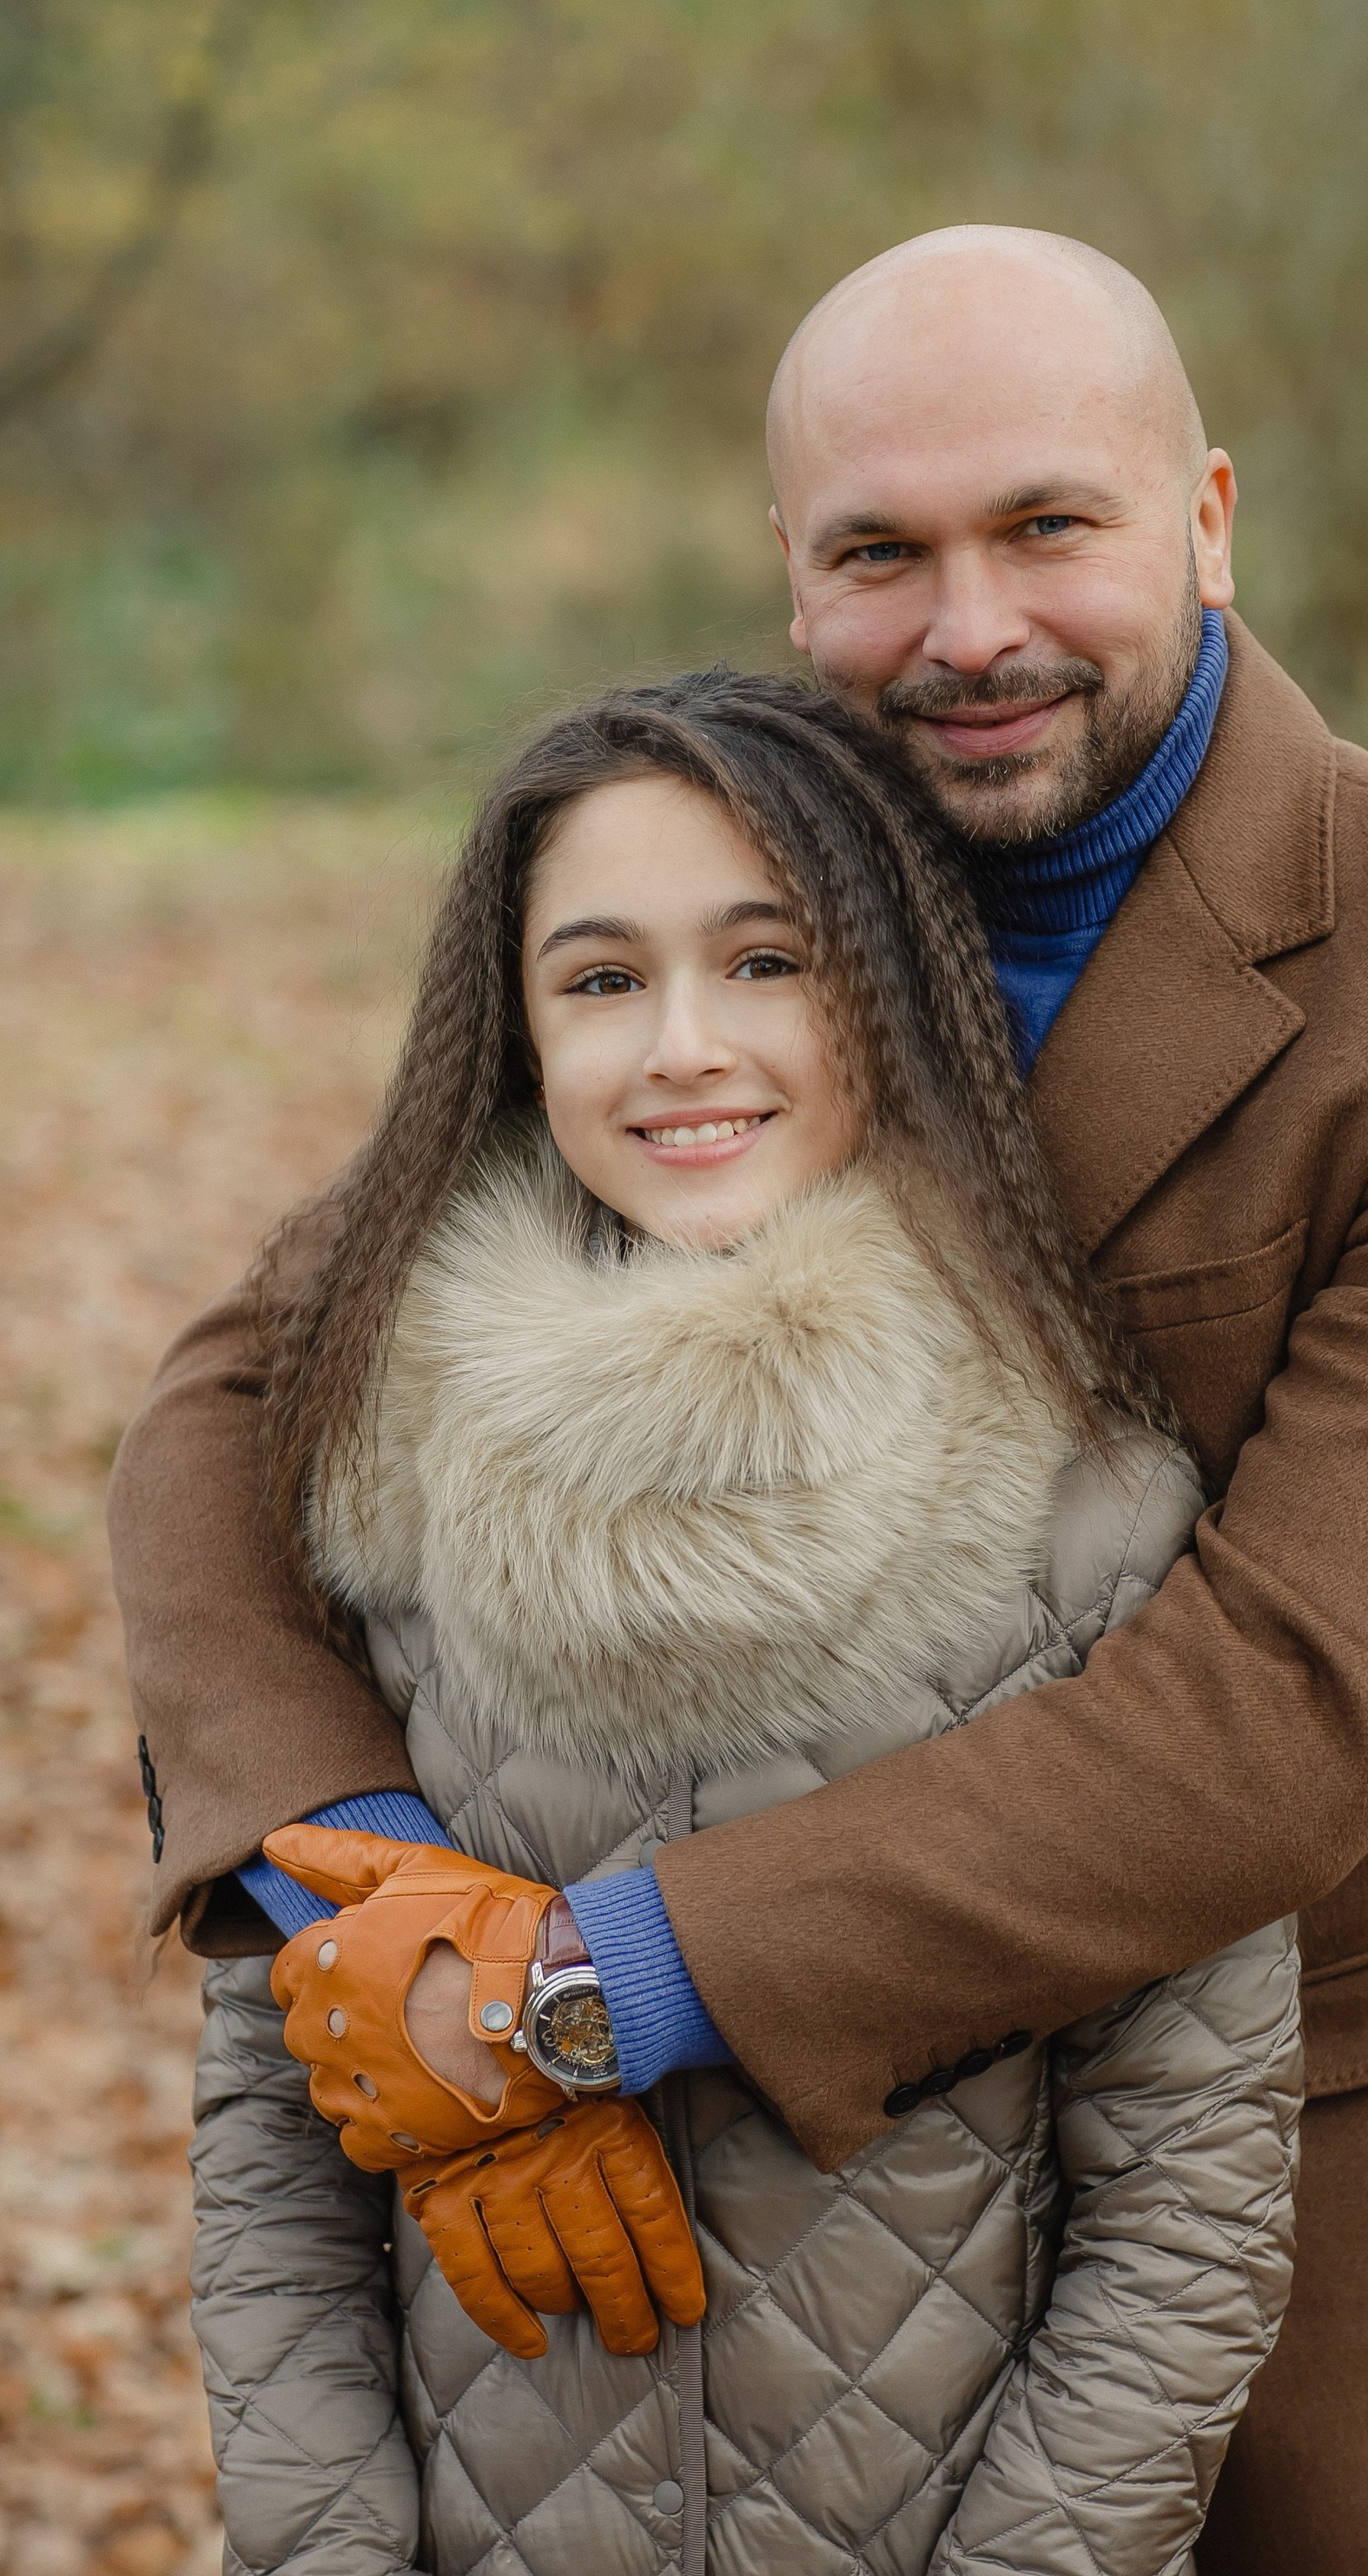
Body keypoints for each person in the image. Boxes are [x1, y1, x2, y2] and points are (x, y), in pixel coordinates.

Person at [110, 228, 1368, 2573]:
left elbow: (1291, 1704)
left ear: (1209, 517)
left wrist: (580, 1991)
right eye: (880, 554)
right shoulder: (735, 874)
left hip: (1333, 2164)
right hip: (765, 2249)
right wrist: (386, 1896)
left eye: (1050, 525)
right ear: (792, 570)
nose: (967, 630)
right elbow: (233, 1401)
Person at [188, 669, 1303, 2572]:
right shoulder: (372, 1469)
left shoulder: (1081, 1506)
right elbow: (275, 2141)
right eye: (602, 981)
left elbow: (1190, 2180)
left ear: (888, 990)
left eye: (766, 961)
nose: (684, 1046)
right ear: (517, 1037)